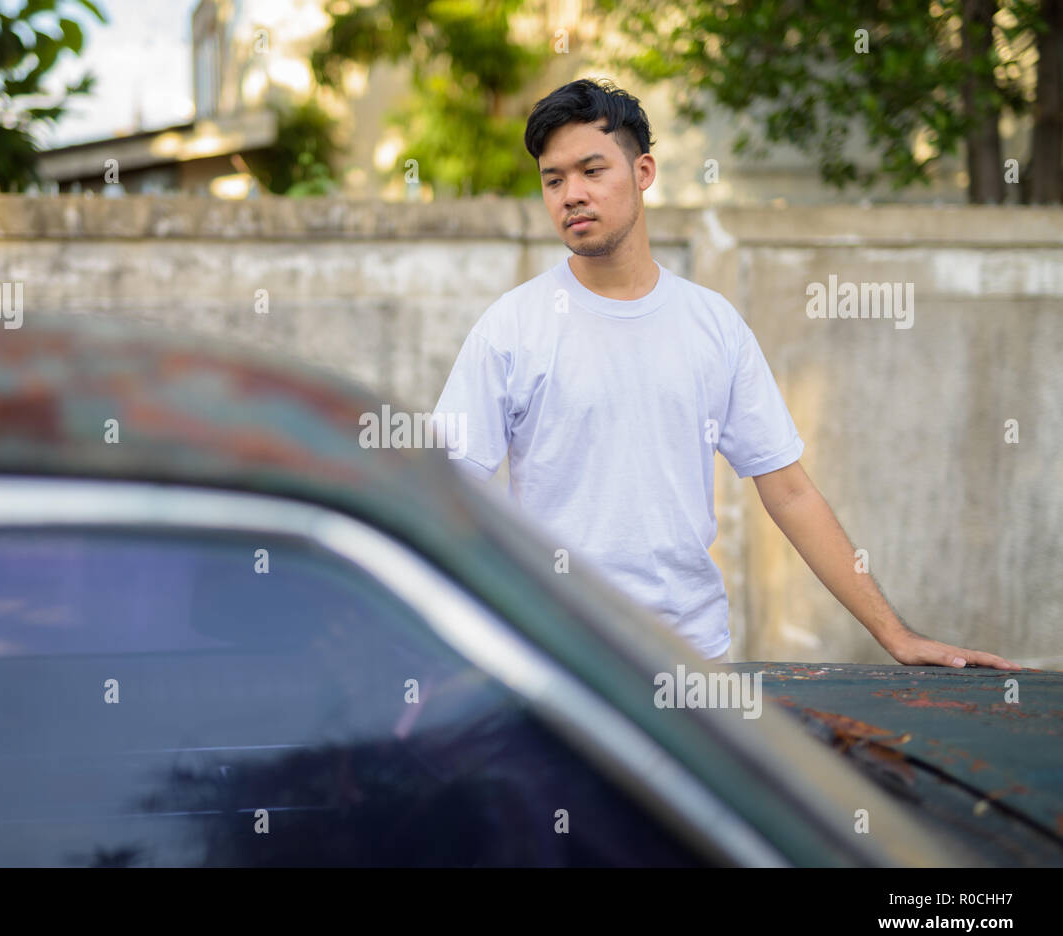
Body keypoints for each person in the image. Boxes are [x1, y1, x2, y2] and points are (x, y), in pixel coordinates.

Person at [432, 78, 1019, 670]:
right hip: (558, 662)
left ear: (643, 172)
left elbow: (788, 491)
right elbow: (438, 490)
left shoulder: (712, 323)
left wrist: (897, 636)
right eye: (553, 179)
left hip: (693, 660)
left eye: (591, 170)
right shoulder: (511, 328)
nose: (571, 194)